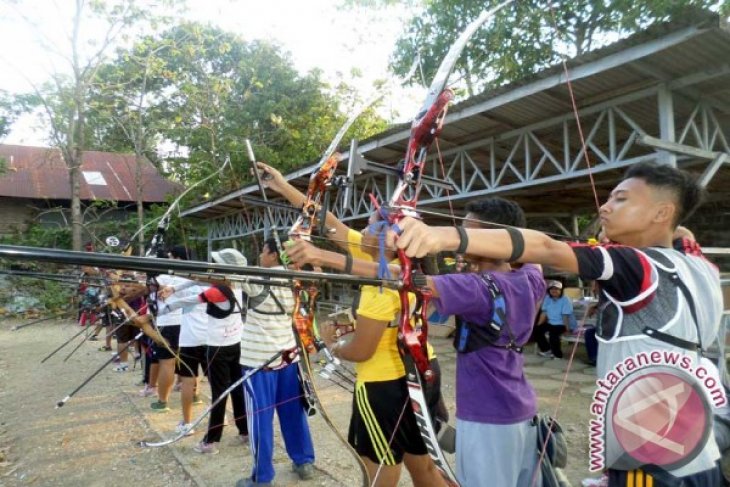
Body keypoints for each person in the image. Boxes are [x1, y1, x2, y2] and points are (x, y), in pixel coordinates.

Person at [389, 161, 725, 486]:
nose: (605, 208)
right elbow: (682, 233)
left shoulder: (635, 266)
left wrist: (442, 236)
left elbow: (546, 248)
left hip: (652, 457)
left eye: (621, 199)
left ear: (661, 212)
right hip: (698, 446)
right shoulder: (699, 265)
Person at [235, 240, 315, 487]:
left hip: (258, 362)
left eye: (263, 251)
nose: (260, 256)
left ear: (272, 255)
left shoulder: (259, 279)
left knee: (260, 419)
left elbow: (229, 270)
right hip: (288, 358)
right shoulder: (296, 279)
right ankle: (304, 462)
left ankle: (262, 477)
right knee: (293, 413)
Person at [535, 280, 573, 359]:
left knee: (553, 335)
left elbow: (565, 316)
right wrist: (538, 325)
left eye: (556, 289)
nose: (554, 291)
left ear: (561, 290)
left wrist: (567, 329)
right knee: (536, 330)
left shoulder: (565, 300)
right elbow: (544, 313)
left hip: (562, 324)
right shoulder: (547, 298)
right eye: (552, 289)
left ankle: (558, 355)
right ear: (549, 290)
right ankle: (546, 350)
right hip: (551, 323)